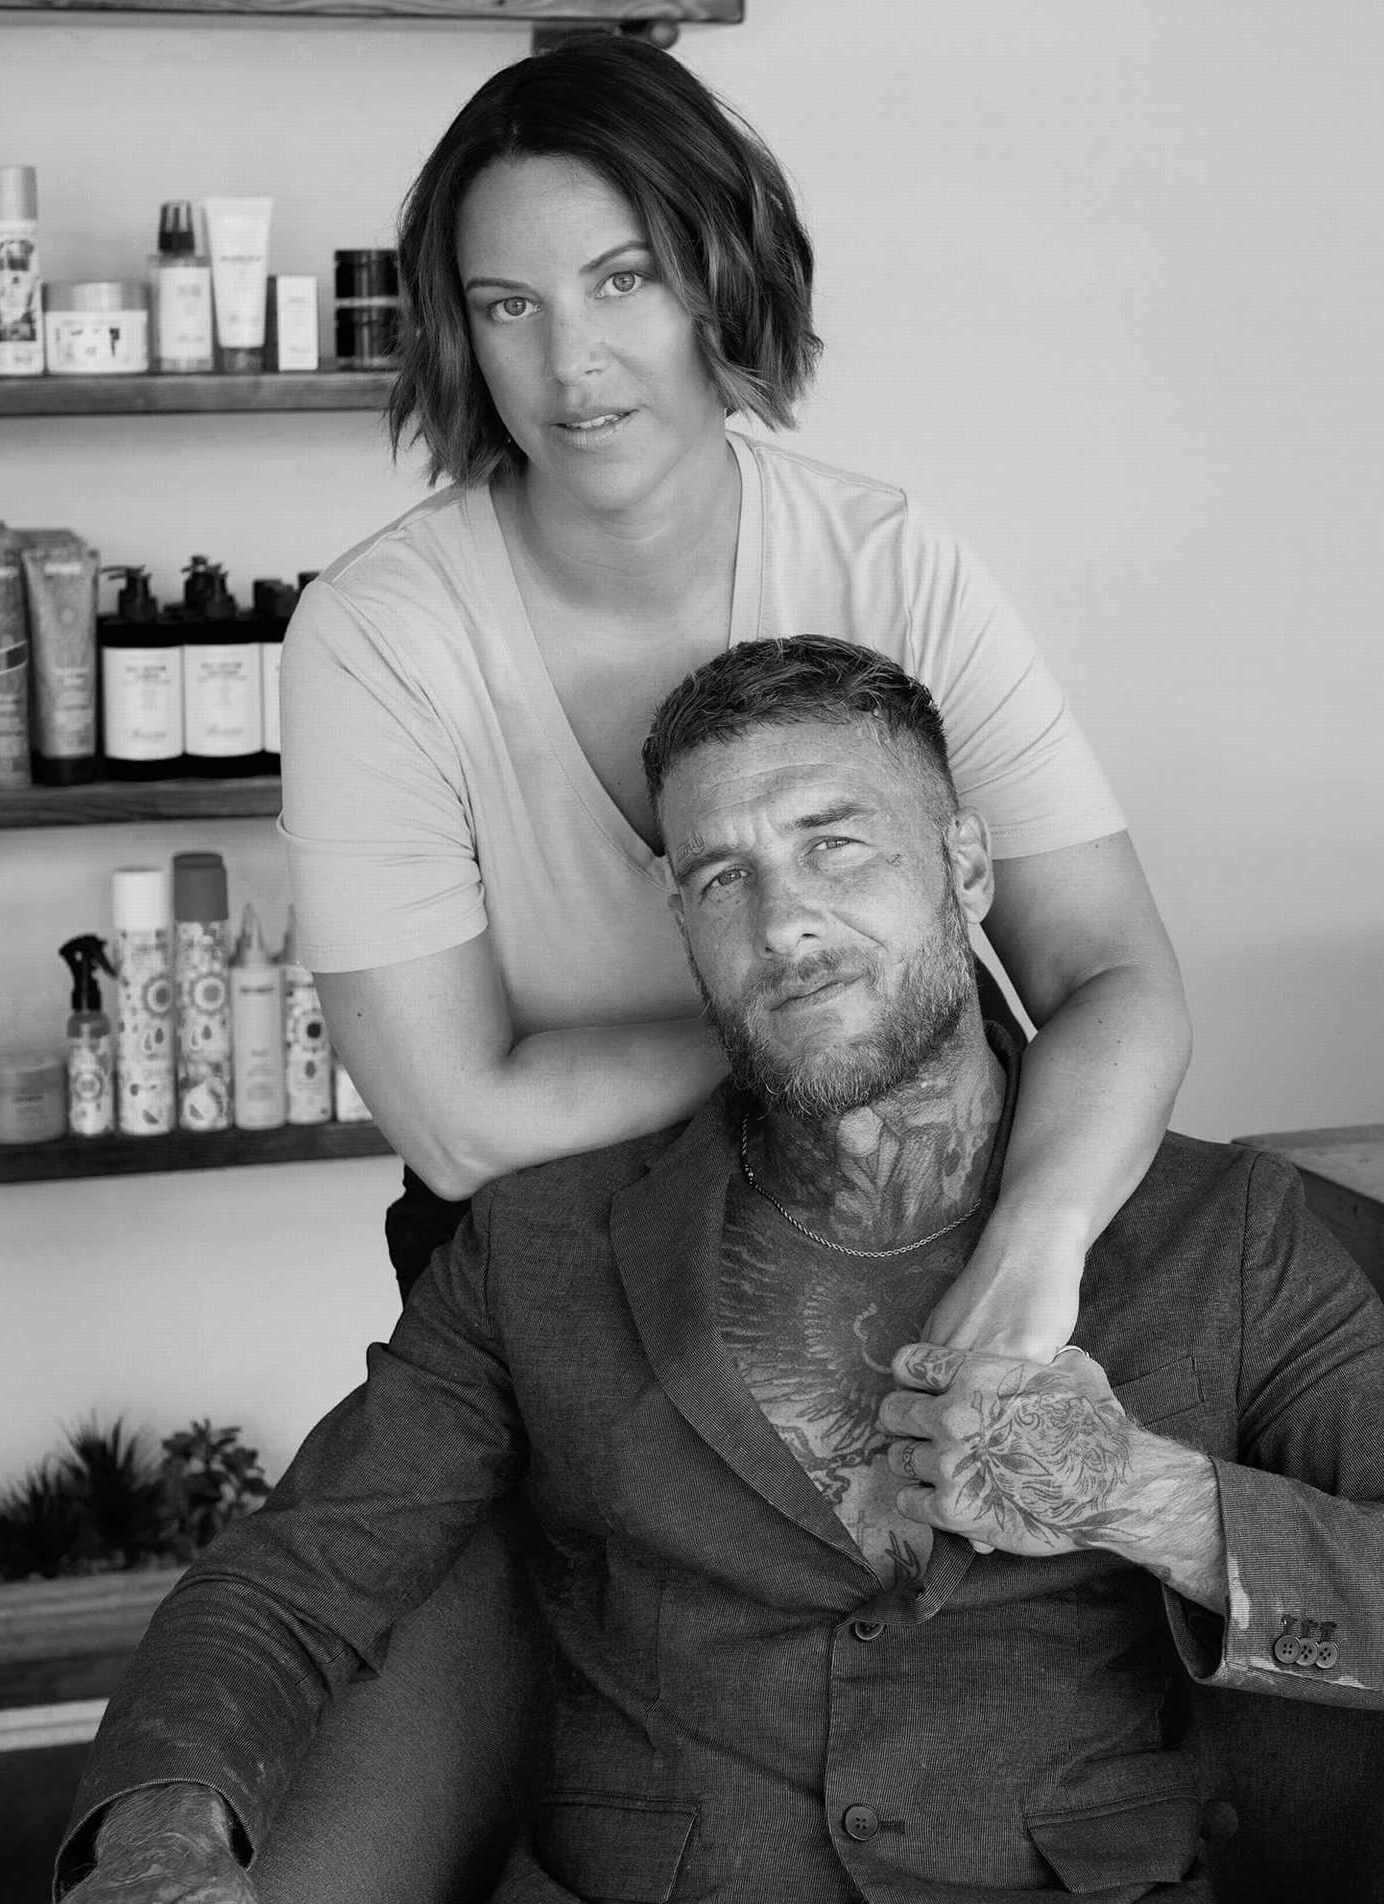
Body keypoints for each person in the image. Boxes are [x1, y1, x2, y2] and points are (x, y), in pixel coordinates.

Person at [54, 639, 1384, 1904]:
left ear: (966, 865)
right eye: (718, 877)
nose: (783, 919)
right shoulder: (543, 1246)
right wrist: (159, 1841)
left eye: (833, 844)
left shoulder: (1222, 1234)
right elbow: (295, 1575)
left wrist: (1140, 1495)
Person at [280, 33, 1192, 1358]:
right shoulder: (377, 637)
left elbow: (1117, 976)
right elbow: (457, 1125)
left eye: (624, 280)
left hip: (917, 1226)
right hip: (547, 1275)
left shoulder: (891, 566)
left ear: (725, 276)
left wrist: (1037, 1239)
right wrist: (836, 1024)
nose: (572, 362)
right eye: (509, 305)